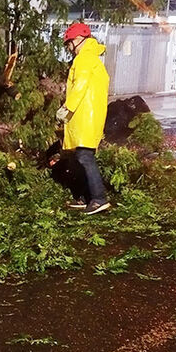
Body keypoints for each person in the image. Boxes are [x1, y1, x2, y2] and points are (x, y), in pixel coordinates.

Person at [57, 22, 111, 215]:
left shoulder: (84, 58)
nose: (69, 48)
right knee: (79, 157)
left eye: (69, 43)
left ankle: (98, 199)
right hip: (87, 114)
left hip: (85, 115)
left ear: (78, 40)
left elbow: (80, 84)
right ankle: (84, 197)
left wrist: (67, 107)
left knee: (84, 157)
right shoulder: (91, 57)